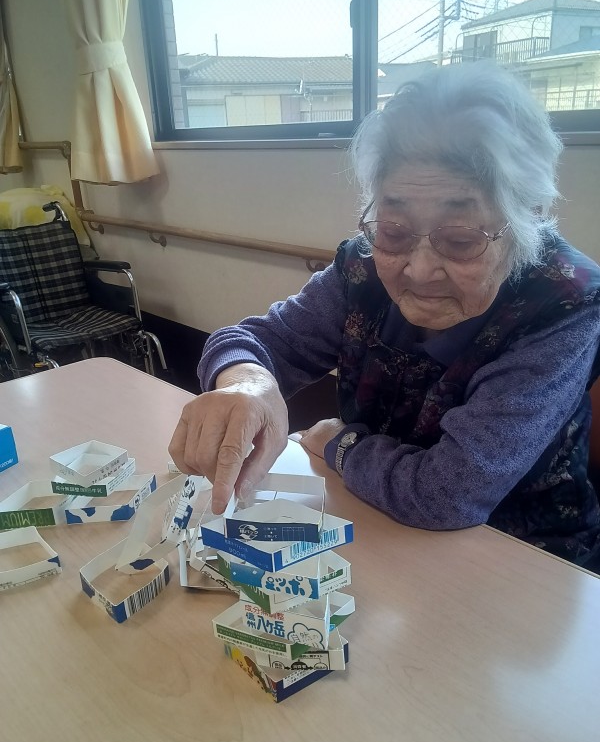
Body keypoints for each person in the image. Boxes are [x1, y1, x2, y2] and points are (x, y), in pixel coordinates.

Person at [170, 61, 600, 571]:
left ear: (527, 220)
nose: (419, 270)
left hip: (526, 558)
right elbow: (259, 341)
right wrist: (247, 384)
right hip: (374, 518)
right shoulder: (363, 266)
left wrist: (340, 444)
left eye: (460, 240)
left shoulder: (564, 303)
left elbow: (448, 493)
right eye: (395, 231)